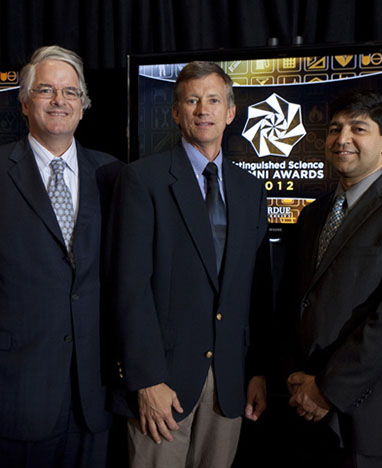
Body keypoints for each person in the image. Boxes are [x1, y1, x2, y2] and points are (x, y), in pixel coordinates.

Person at [0, 45, 122, 468]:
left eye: (70, 92)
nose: (59, 100)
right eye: (46, 90)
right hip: (13, 391)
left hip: (92, 393)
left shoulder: (113, 175)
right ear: (25, 103)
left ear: (83, 107)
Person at [111, 61, 271, 468]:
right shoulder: (142, 180)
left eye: (214, 100)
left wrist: (256, 371)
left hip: (229, 382)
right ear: (177, 113)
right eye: (192, 100)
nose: (204, 109)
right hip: (164, 383)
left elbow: (257, 290)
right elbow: (128, 287)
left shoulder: (250, 189)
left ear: (230, 113)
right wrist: (145, 379)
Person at [279, 89, 382, 468]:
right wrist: (294, 375)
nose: (343, 139)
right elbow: (297, 300)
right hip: (307, 415)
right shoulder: (312, 215)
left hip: (376, 422)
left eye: (359, 128)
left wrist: (327, 390)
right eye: (335, 129)